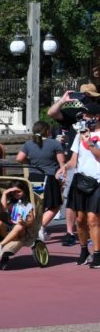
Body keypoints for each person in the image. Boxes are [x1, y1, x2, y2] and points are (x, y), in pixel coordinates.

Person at [48, 84, 98, 247]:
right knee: (71, 199)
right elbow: (52, 113)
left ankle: (93, 232)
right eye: (83, 95)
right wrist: (63, 100)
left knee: (93, 207)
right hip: (75, 162)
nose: (85, 97)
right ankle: (70, 232)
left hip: (95, 166)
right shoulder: (74, 114)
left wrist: (90, 143)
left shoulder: (96, 113)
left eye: (89, 95)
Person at [15, 120, 66, 242]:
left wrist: (30, 163)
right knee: (55, 205)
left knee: (37, 205)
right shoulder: (55, 144)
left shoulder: (28, 144)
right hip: (49, 177)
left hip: (33, 178)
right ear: (47, 131)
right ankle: (40, 227)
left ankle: (36, 228)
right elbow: (62, 164)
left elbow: (19, 158)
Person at [65, 105, 100, 267]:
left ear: (97, 116)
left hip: (98, 182)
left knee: (93, 218)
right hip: (81, 181)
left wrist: (90, 143)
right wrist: (63, 168)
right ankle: (84, 250)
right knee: (80, 219)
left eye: (88, 115)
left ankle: (98, 255)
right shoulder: (79, 135)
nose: (85, 118)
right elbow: (73, 160)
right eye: (84, 115)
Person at [0, 184, 36, 255]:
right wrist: (4, 193)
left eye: (18, 191)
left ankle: (0, 244)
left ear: (24, 191)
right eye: (14, 192)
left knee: (19, 226)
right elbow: (3, 210)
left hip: (20, 233)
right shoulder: (11, 204)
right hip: (8, 230)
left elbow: (31, 222)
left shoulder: (28, 205)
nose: (16, 194)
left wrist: (23, 222)